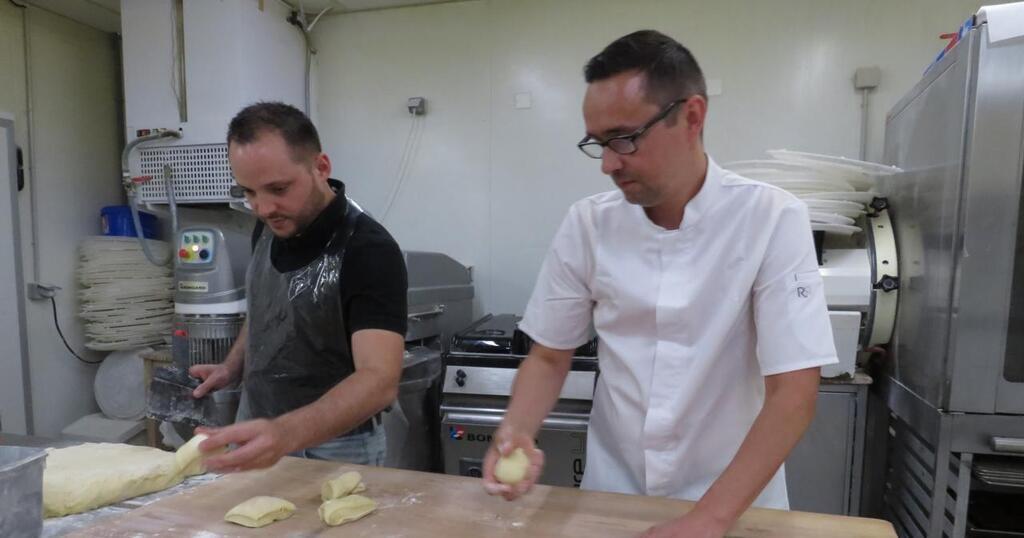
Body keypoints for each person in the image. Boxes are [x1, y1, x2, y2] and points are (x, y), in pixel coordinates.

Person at [481, 30, 838, 538]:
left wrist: (709, 520)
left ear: (692, 117)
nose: (608, 164)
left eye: (624, 138)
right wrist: (515, 432)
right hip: (616, 492)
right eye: (597, 143)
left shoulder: (771, 218)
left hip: (733, 502)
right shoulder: (588, 224)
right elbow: (548, 355)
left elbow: (793, 393)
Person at [189, 102, 408, 472]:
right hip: (258, 428)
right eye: (249, 192)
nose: (262, 207)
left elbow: (379, 380)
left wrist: (284, 434)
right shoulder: (270, 223)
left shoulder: (367, 249)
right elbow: (267, 305)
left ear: (320, 167)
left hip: (337, 449)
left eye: (278, 188)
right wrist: (231, 367)